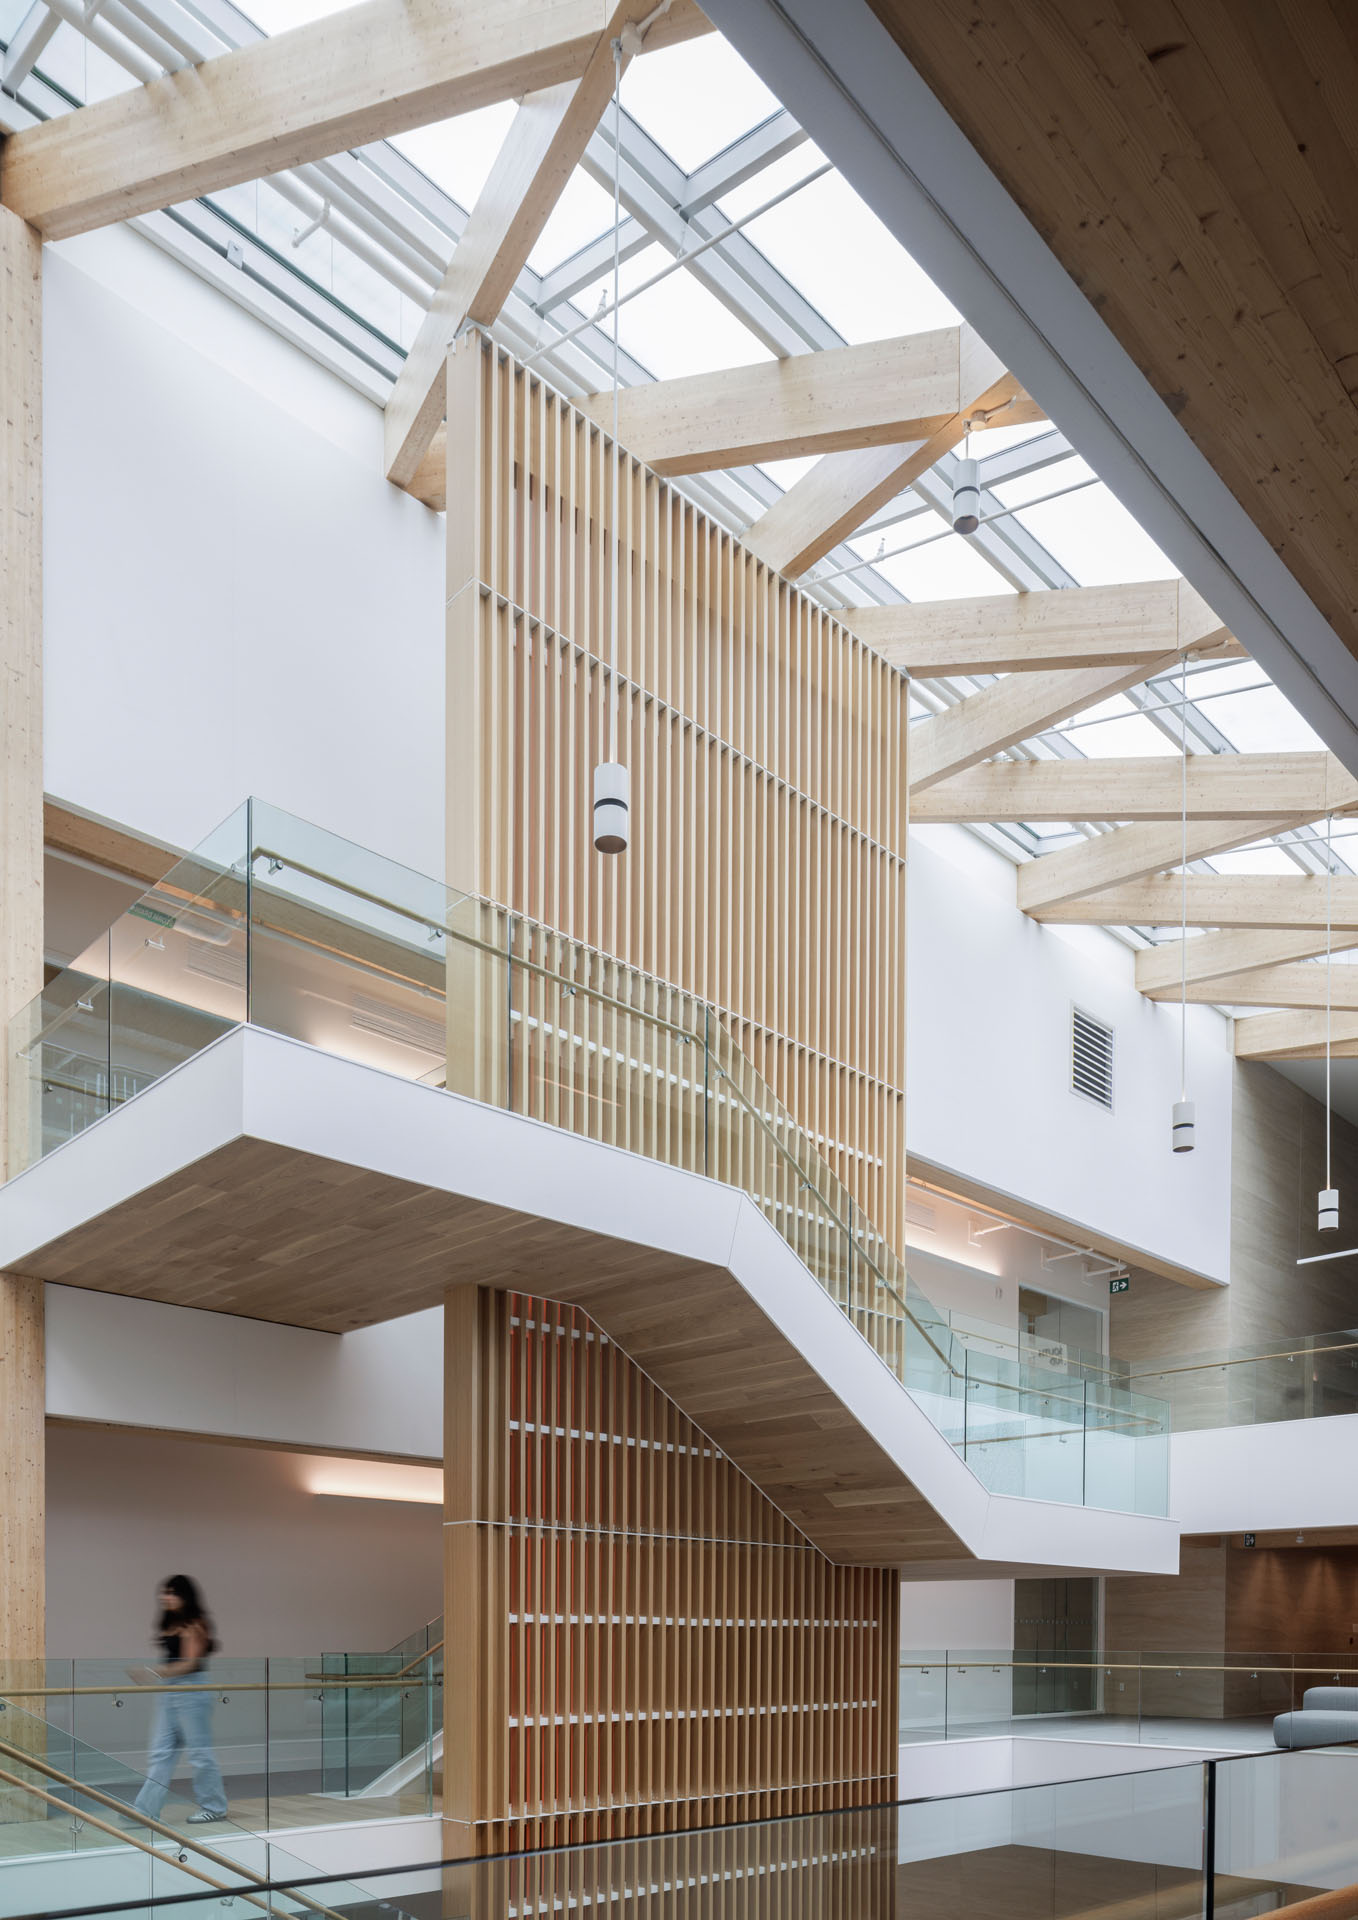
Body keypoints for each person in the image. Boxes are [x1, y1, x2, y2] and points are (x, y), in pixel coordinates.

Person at [130, 1575, 229, 1826]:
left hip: (192, 1690)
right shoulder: (170, 1623)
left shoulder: (195, 1624)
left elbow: (191, 1664)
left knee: (199, 1753)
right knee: (160, 1753)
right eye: (165, 1592)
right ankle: (145, 1811)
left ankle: (214, 1807)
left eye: (172, 1592)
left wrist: (153, 1673)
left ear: (185, 1596)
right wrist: (159, 1676)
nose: (166, 1597)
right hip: (170, 1691)